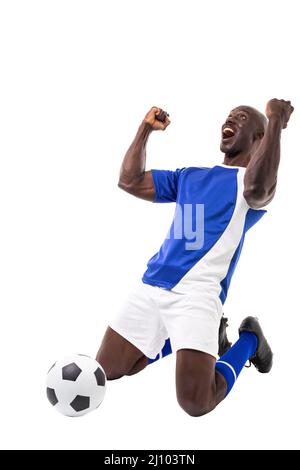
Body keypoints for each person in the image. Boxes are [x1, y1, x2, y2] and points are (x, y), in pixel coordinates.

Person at [96, 99, 293, 416]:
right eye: (229, 115)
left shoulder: (250, 185)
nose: (230, 119)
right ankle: (196, 337)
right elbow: (129, 180)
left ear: (259, 136)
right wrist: (145, 130)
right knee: (110, 369)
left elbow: (259, 186)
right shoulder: (191, 175)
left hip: (197, 295)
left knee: (196, 402)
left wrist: (276, 120)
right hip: (152, 284)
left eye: (241, 117)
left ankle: (250, 340)